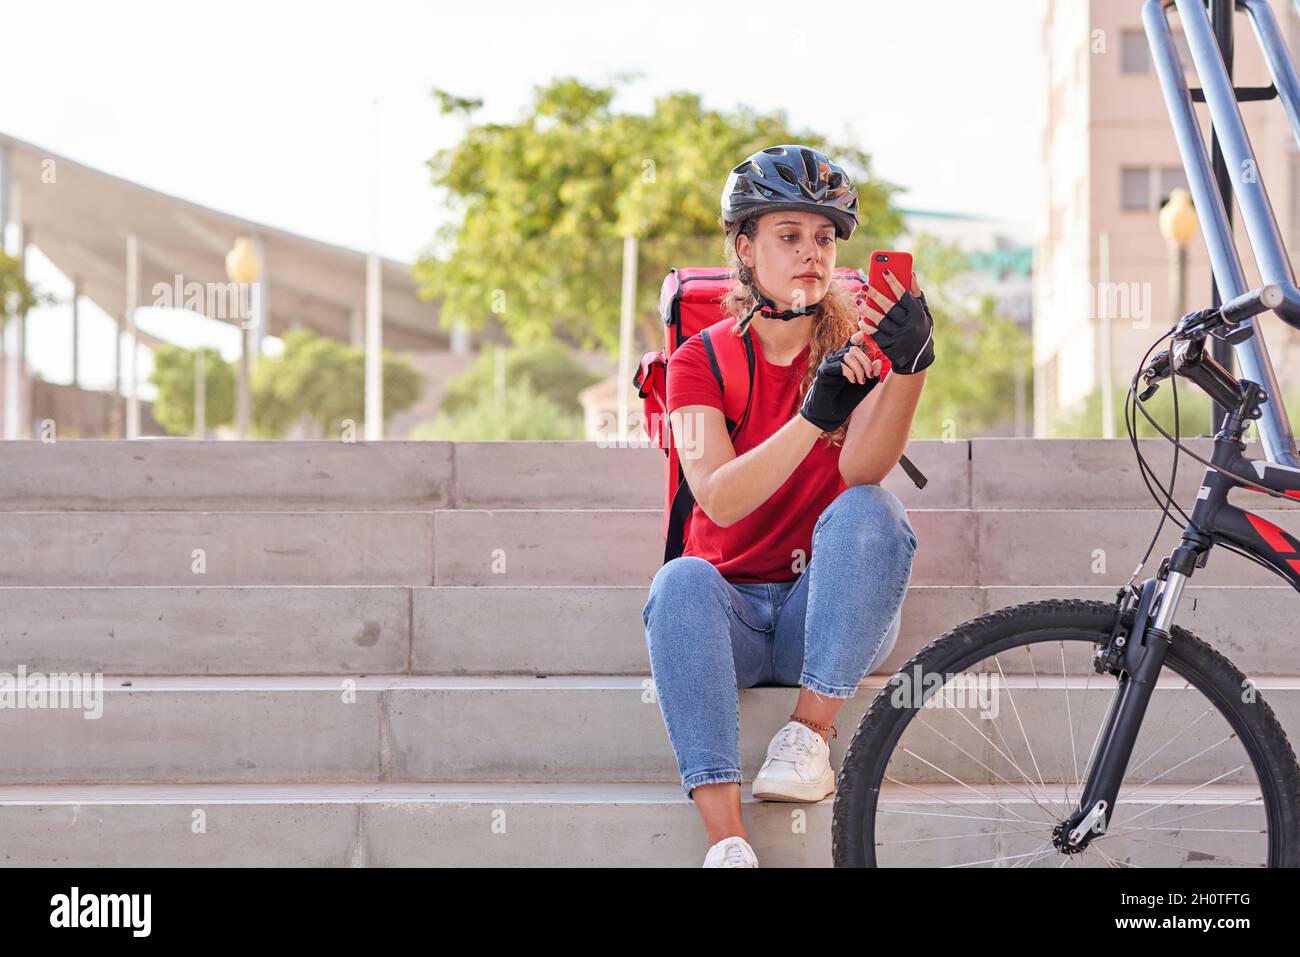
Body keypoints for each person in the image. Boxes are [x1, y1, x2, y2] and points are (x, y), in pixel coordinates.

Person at [641, 144, 935, 868]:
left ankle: (809, 732)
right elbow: (718, 495)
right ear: (744, 248)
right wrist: (814, 413)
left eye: (827, 237)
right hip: (731, 616)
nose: (813, 253)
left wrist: (909, 368)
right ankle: (728, 842)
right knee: (677, 581)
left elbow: (864, 472)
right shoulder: (695, 362)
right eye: (789, 235)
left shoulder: (858, 351)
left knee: (874, 512)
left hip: (821, 611)